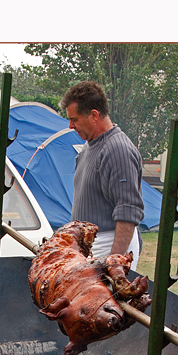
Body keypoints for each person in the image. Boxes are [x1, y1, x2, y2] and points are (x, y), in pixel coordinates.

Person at [61, 81, 145, 270]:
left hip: (108, 246)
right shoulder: (88, 148)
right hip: (89, 248)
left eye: (74, 119)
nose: (70, 125)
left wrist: (114, 263)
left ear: (93, 115)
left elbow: (128, 212)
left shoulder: (117, 149)